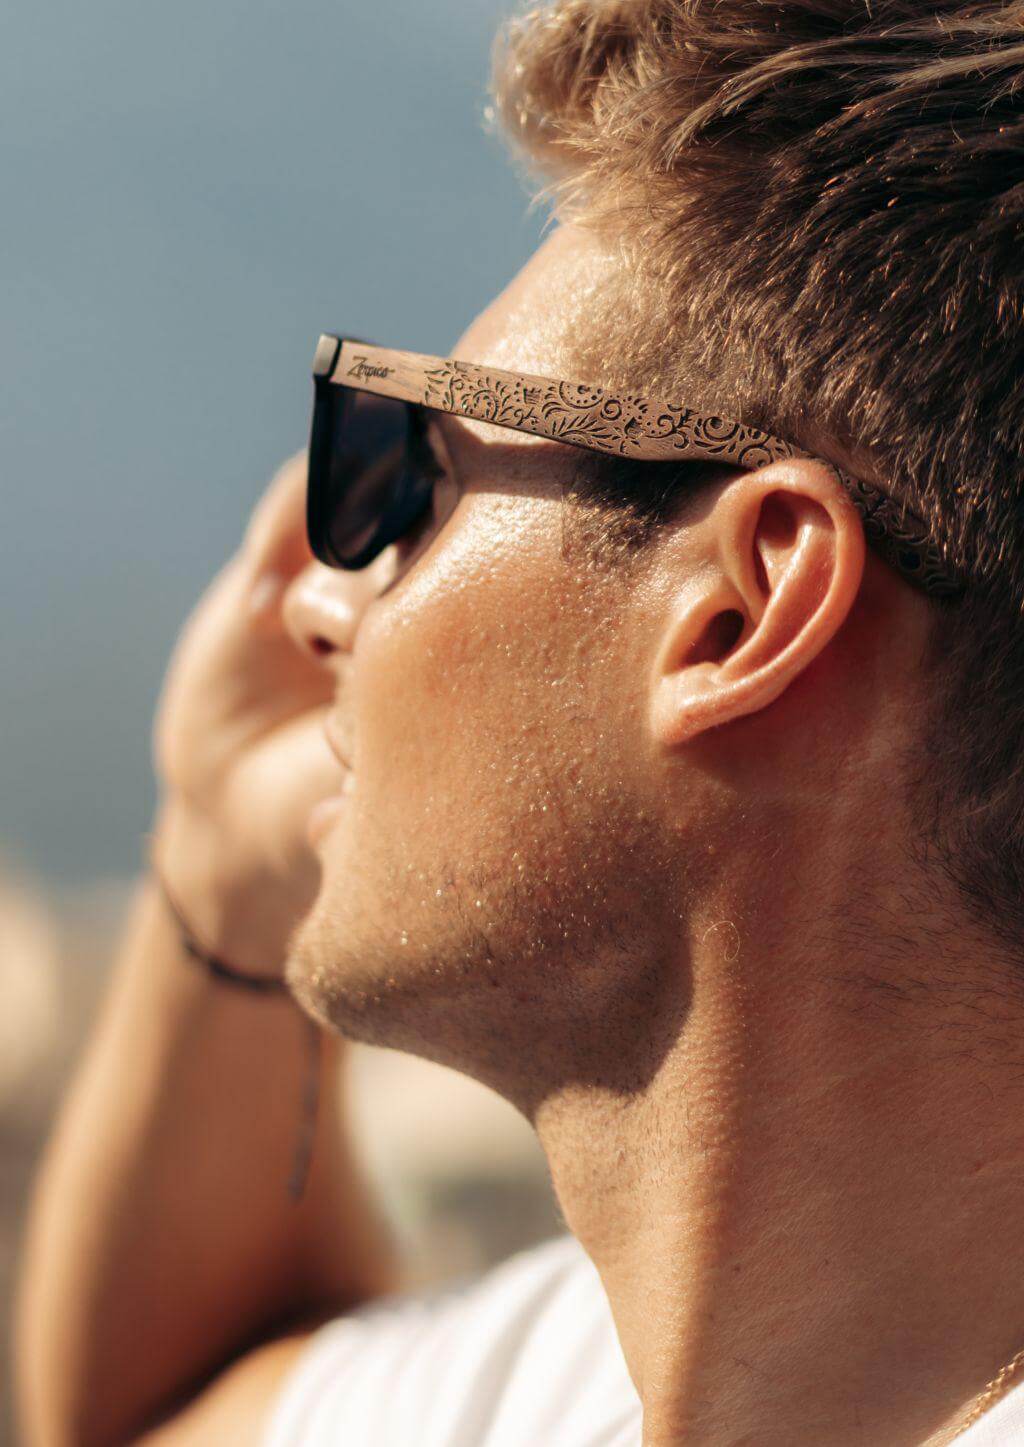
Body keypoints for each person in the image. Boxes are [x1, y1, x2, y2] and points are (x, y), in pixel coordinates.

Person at [15, 0, 1024, 1442]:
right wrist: (229, 862)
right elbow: (150, 1417)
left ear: (743, 608)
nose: (327, 592)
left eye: (405, 469)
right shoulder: (601, 1374)